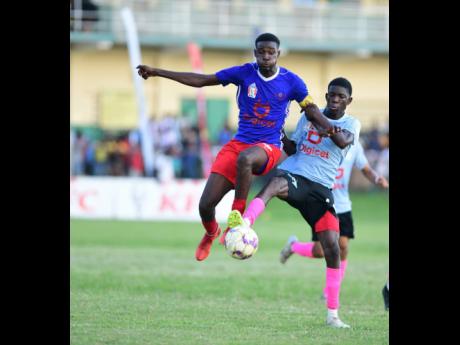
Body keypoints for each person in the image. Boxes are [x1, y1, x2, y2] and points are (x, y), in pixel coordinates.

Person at [137, 33, 339, 261]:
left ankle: (236, 218)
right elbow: (202, 80)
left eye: (271, 52)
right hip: (239, 143)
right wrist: (157, 72)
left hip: (269, 146)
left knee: (247, 158)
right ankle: (211, 233)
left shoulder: (292, 81)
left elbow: (311, 110)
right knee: (205, 206)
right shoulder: (244, 73)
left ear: (278, 54)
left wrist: (330, 127)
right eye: (261, 52)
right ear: (255, 53)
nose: (266, 56)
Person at [227, 77, 359, 328]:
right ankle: (244, 223)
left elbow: (343, 141)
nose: (335, 99)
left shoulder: (351, 123)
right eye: (331, 94)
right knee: (274, 184)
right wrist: (278, 136)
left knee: (331, 249)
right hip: (298, 176)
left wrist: (325, 127)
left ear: (348, 101)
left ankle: (333, 316)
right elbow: (294, 147)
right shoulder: (308, 116)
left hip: (321, 189)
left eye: (341, 96)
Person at [278, 139, 389, 301]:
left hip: (343, 205)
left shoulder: (354, 146)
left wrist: (377, 179)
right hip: (321, 203)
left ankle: (329, 291)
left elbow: (365, 169)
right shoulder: (320, 141)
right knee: (320, 251)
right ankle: (294, 246)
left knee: (342, 247)